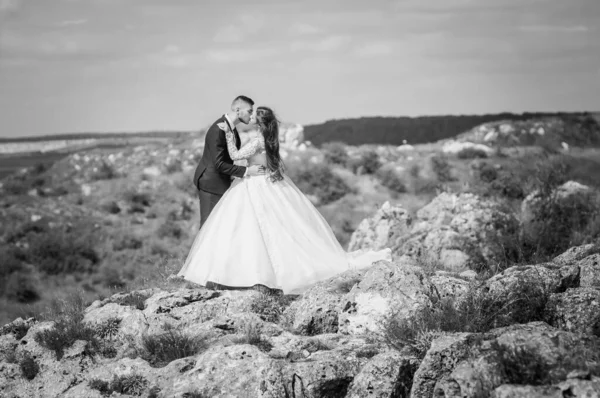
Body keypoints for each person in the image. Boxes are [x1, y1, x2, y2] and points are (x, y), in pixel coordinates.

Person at [179, 106, 391, 294]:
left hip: (254, 181)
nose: (251, 118)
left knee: (248, 227)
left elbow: (234, 155)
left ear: (260, 123)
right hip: (267, 181)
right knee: (277, 226)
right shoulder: (270, 140)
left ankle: (247, 273)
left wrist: (227, 135)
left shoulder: (257, 141)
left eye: (255, 117)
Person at [192, 95, 265, 229]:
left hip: (223, 182)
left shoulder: (231, 129)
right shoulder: (218, 129)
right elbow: (218, 164)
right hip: (211, 185)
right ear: (238, 110)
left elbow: (230, 157)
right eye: (249, 111)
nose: (251, 115)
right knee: (208, 229)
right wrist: (248, 171)